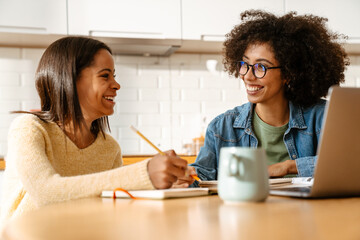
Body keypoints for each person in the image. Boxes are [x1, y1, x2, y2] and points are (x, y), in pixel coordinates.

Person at [1, 36, 191, 223]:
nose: (116, 85)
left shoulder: (109, 147)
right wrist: (145, 174)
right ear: (70, 80)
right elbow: (46, 192)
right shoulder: (28, 128)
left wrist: (161, 186)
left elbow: (115, 202)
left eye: (113, 76)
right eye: (105, 75)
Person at [178, 10, 349, 186]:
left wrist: (288, 167)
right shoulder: (222, 127)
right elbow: (200, 178)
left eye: (261, 67)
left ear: (288, 74)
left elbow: (349, 163)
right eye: (244, 64)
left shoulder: (325, 118)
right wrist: (183, 179)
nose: (248, 76)